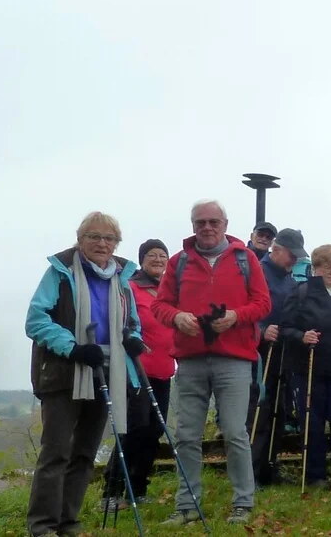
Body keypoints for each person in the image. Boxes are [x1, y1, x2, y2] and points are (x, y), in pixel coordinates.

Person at [152, 199, 272, 526]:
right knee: (186, 436)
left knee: (234, 433)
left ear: (225, 224)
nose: (207, 227)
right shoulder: (178, 262)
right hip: (190, 361)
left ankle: (243, 502)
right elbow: (160, 306)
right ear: (193, 225)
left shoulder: (245, 259)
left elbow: (263, 303)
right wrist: (177, 317)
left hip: (234, 360)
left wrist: (236, 316)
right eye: (200, 222)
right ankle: (187, 506)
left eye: (213, 222)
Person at [25, 212, 145, 537]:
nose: (102, 243)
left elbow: (132, 322)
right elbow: (36, 319)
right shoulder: (60, 272)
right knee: (56, 452)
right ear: (80, 240)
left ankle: (68, 522)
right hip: (65, 372)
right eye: (94, 236)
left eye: (109, 238)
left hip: (107, 371)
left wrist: (134, 338)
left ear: (116, 243)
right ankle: (42, 525)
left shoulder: (122, 277)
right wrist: (73, 348)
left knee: (84, 453)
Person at [280, 245, 331, 489]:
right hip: (308, 368)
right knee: (312, 421)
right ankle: (315, 474)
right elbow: (285, 327)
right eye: (328, 267)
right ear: (316, 268)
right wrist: (301, 336)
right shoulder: (301, 293)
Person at [102, 239, 175, 510]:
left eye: (162, 255)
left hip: (164, 370)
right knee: (134, 429)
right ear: (142, 260)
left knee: (154, 431)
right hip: (135, 370)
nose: (158, 259)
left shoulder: (171, 291)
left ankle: (138, 489)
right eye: (152, 255)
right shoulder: (131, 287)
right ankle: (111, 491)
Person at [251, 229, 307, 486]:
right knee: (260, 411)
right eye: (291, 255)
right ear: (276, 249)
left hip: (283, 351)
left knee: (279, 411)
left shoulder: (289, 280)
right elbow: (245, 308)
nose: (294, 261)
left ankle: (270, 468)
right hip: (258, 353)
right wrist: (262, 330)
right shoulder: (257, 272)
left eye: (297, 257)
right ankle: (252, 472)